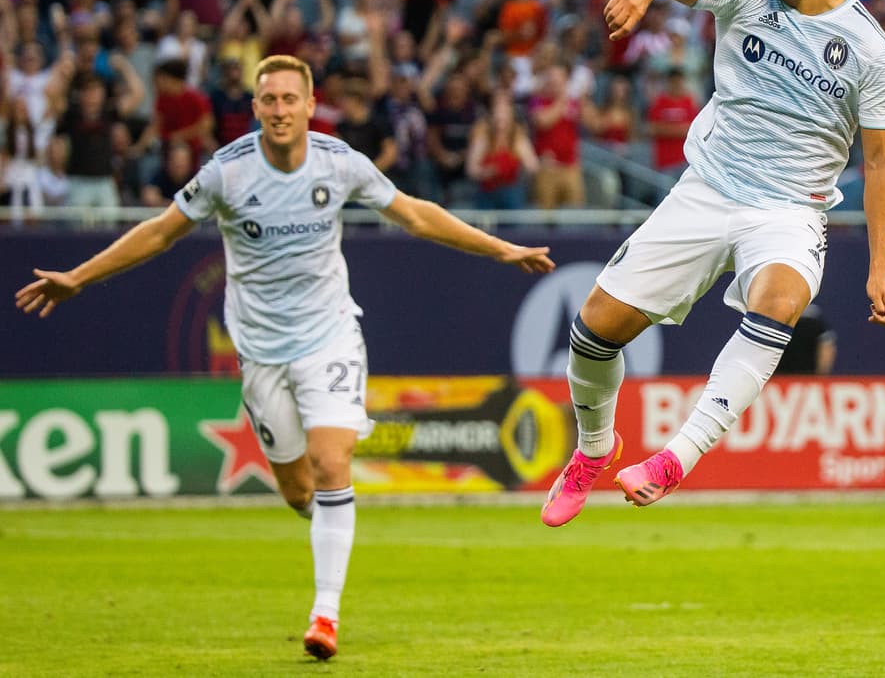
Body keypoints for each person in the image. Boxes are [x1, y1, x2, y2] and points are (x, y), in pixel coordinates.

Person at [14, 55, 555, 660]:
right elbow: (161, 231)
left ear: (309, 105)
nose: (279, 111)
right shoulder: (227, 173)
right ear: (255, 108)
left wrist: (501, 250)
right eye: (269, 100)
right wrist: (78, 278)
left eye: (290, 100)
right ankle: (324, 521)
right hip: (260, 351)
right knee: (300, 491)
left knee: (332, 461)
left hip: (330, 336)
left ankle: (325, 615)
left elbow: (413, 214)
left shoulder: (339, 162)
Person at [539, 0, 885, 527]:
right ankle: (595, 448)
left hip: (789, 210)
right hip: (707, 189)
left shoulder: (871, 51)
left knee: (781, 301)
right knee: (594, 330)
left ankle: (675, 458)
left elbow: (882, 161)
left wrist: (880, 267)